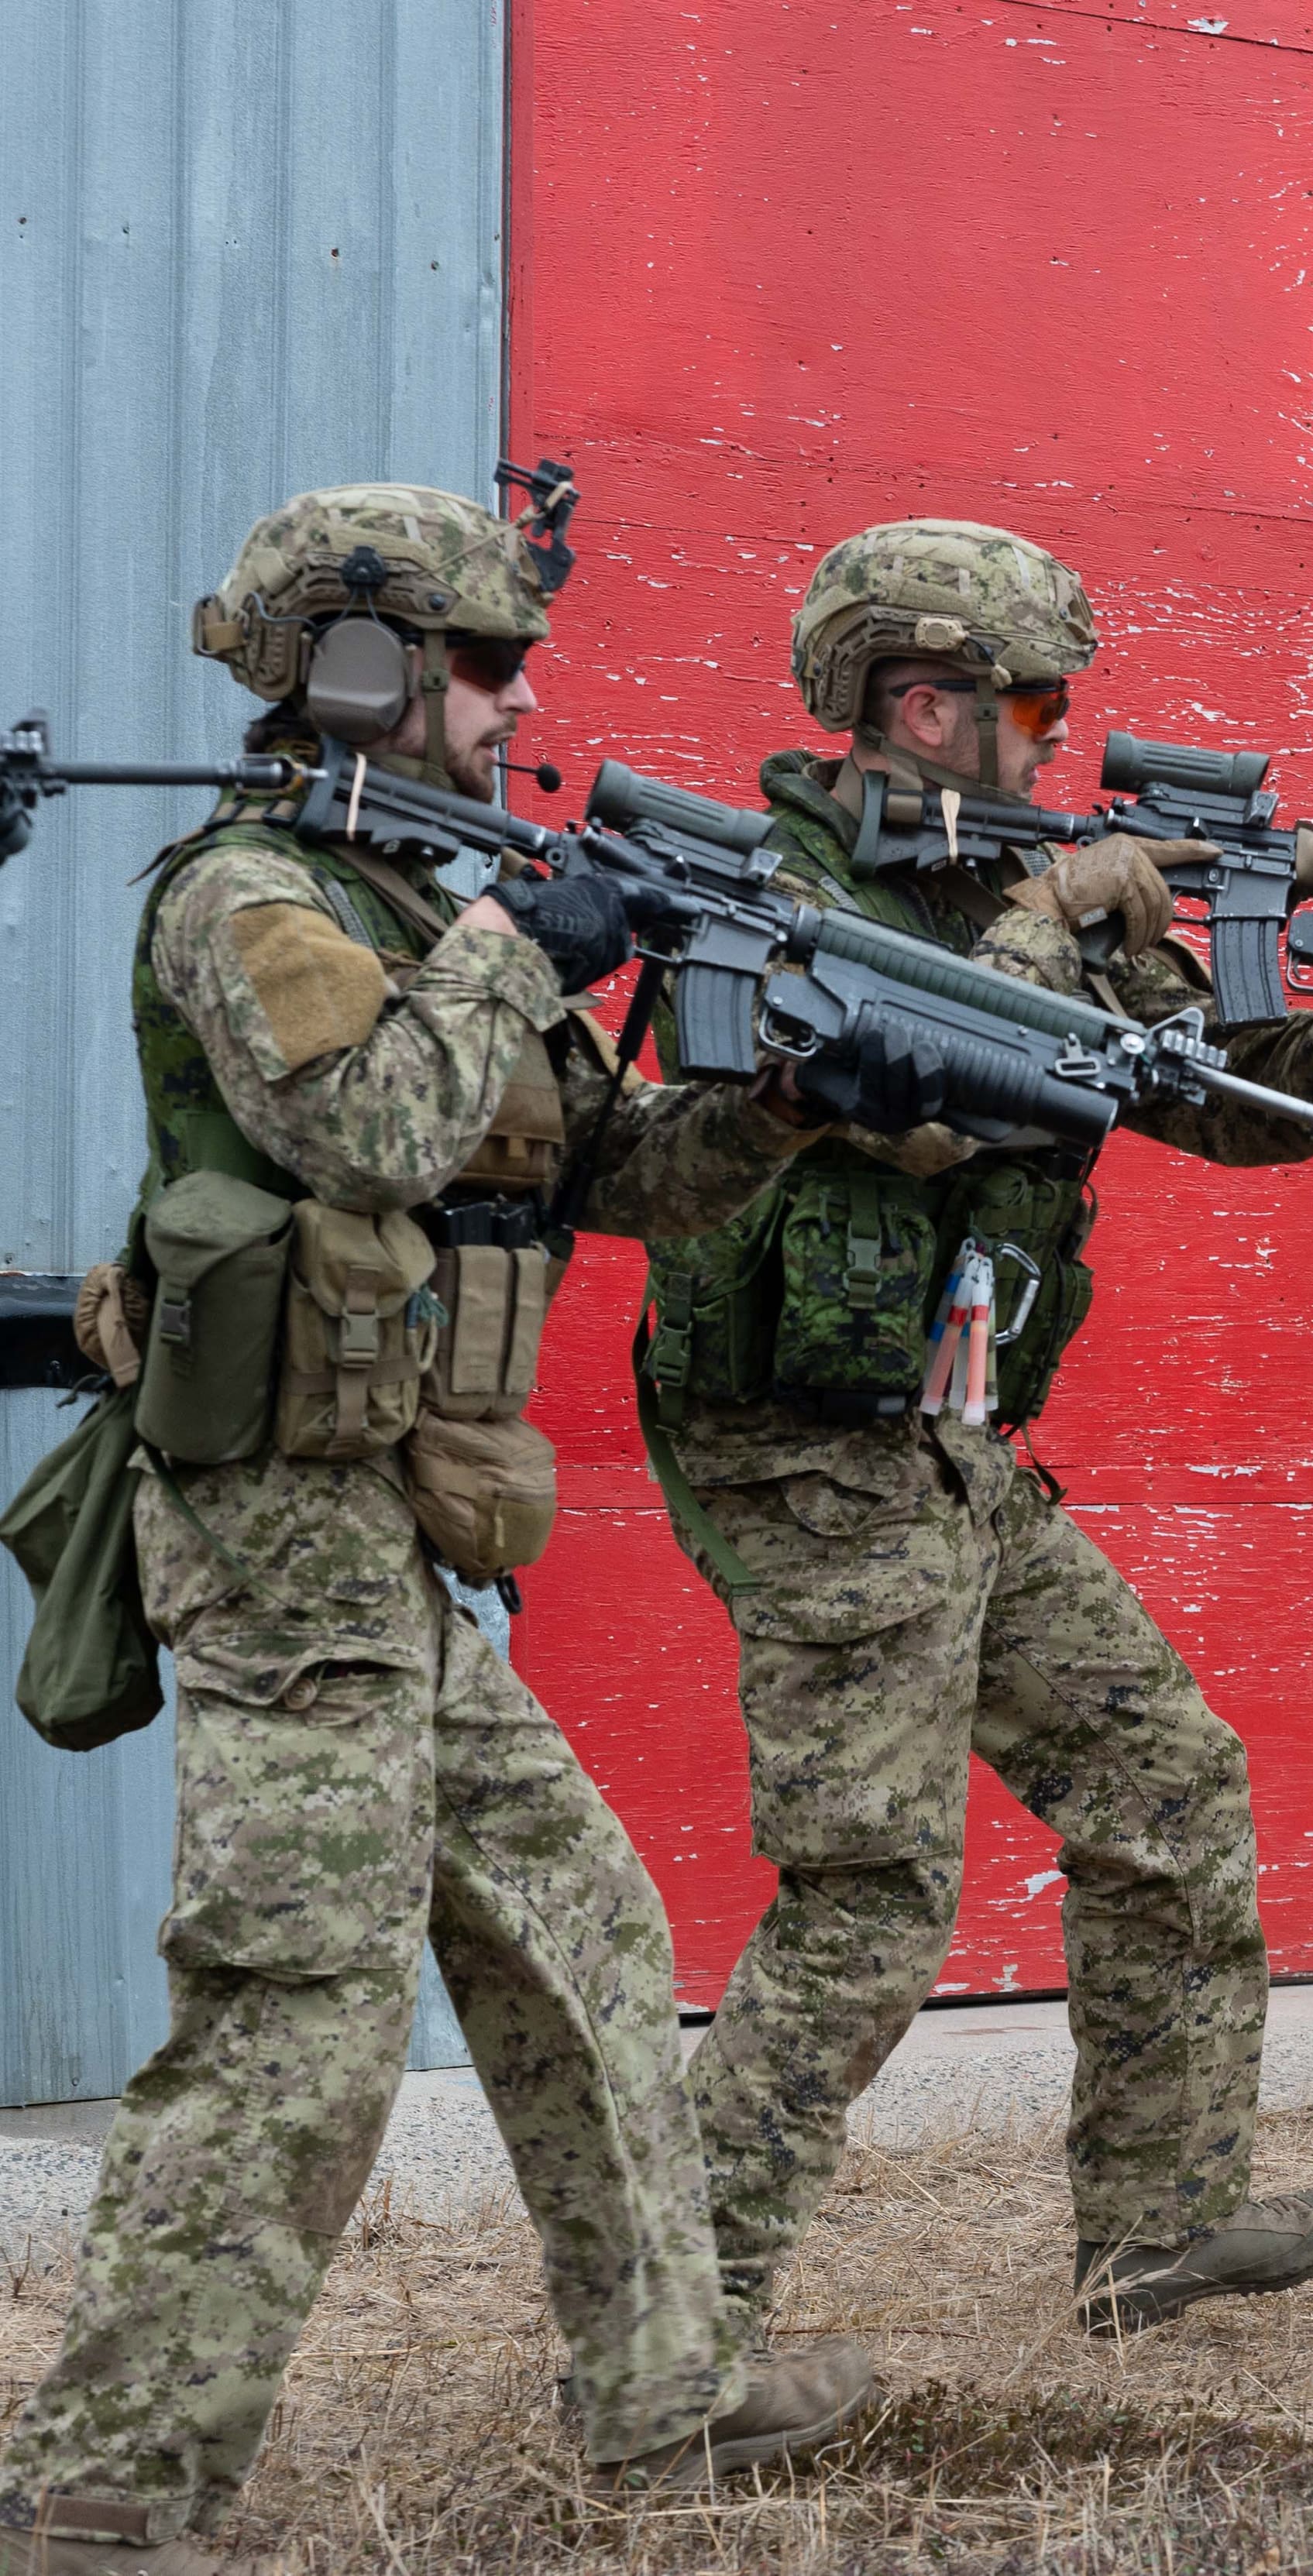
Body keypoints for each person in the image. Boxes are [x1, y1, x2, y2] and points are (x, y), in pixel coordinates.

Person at [2, 481, 861, 2571]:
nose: (519, 695)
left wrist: (783, 1093)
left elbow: (607, 1173)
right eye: (482, 663)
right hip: (283, 1527)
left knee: (582, 1930)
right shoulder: (255, 899)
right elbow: (362, 1128)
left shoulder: (430, 909)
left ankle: (663, 2384)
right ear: (364, 672)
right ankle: (115, 2480)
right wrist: (514, 943)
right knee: (296, 1994)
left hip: (394, 1530)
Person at [632, 520, 1313, 2344]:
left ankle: (1157, 2219)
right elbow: (904, 1087)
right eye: (1031, 702)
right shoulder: (767, 888)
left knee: (1165, 1786)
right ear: (919, 697)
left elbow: (1224, 1112)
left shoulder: (1018, 884)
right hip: (804, 1445)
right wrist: (1064, 915)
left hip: (956, 1438)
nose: (1056, 740)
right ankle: (667, 2320)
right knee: (874, 1897)